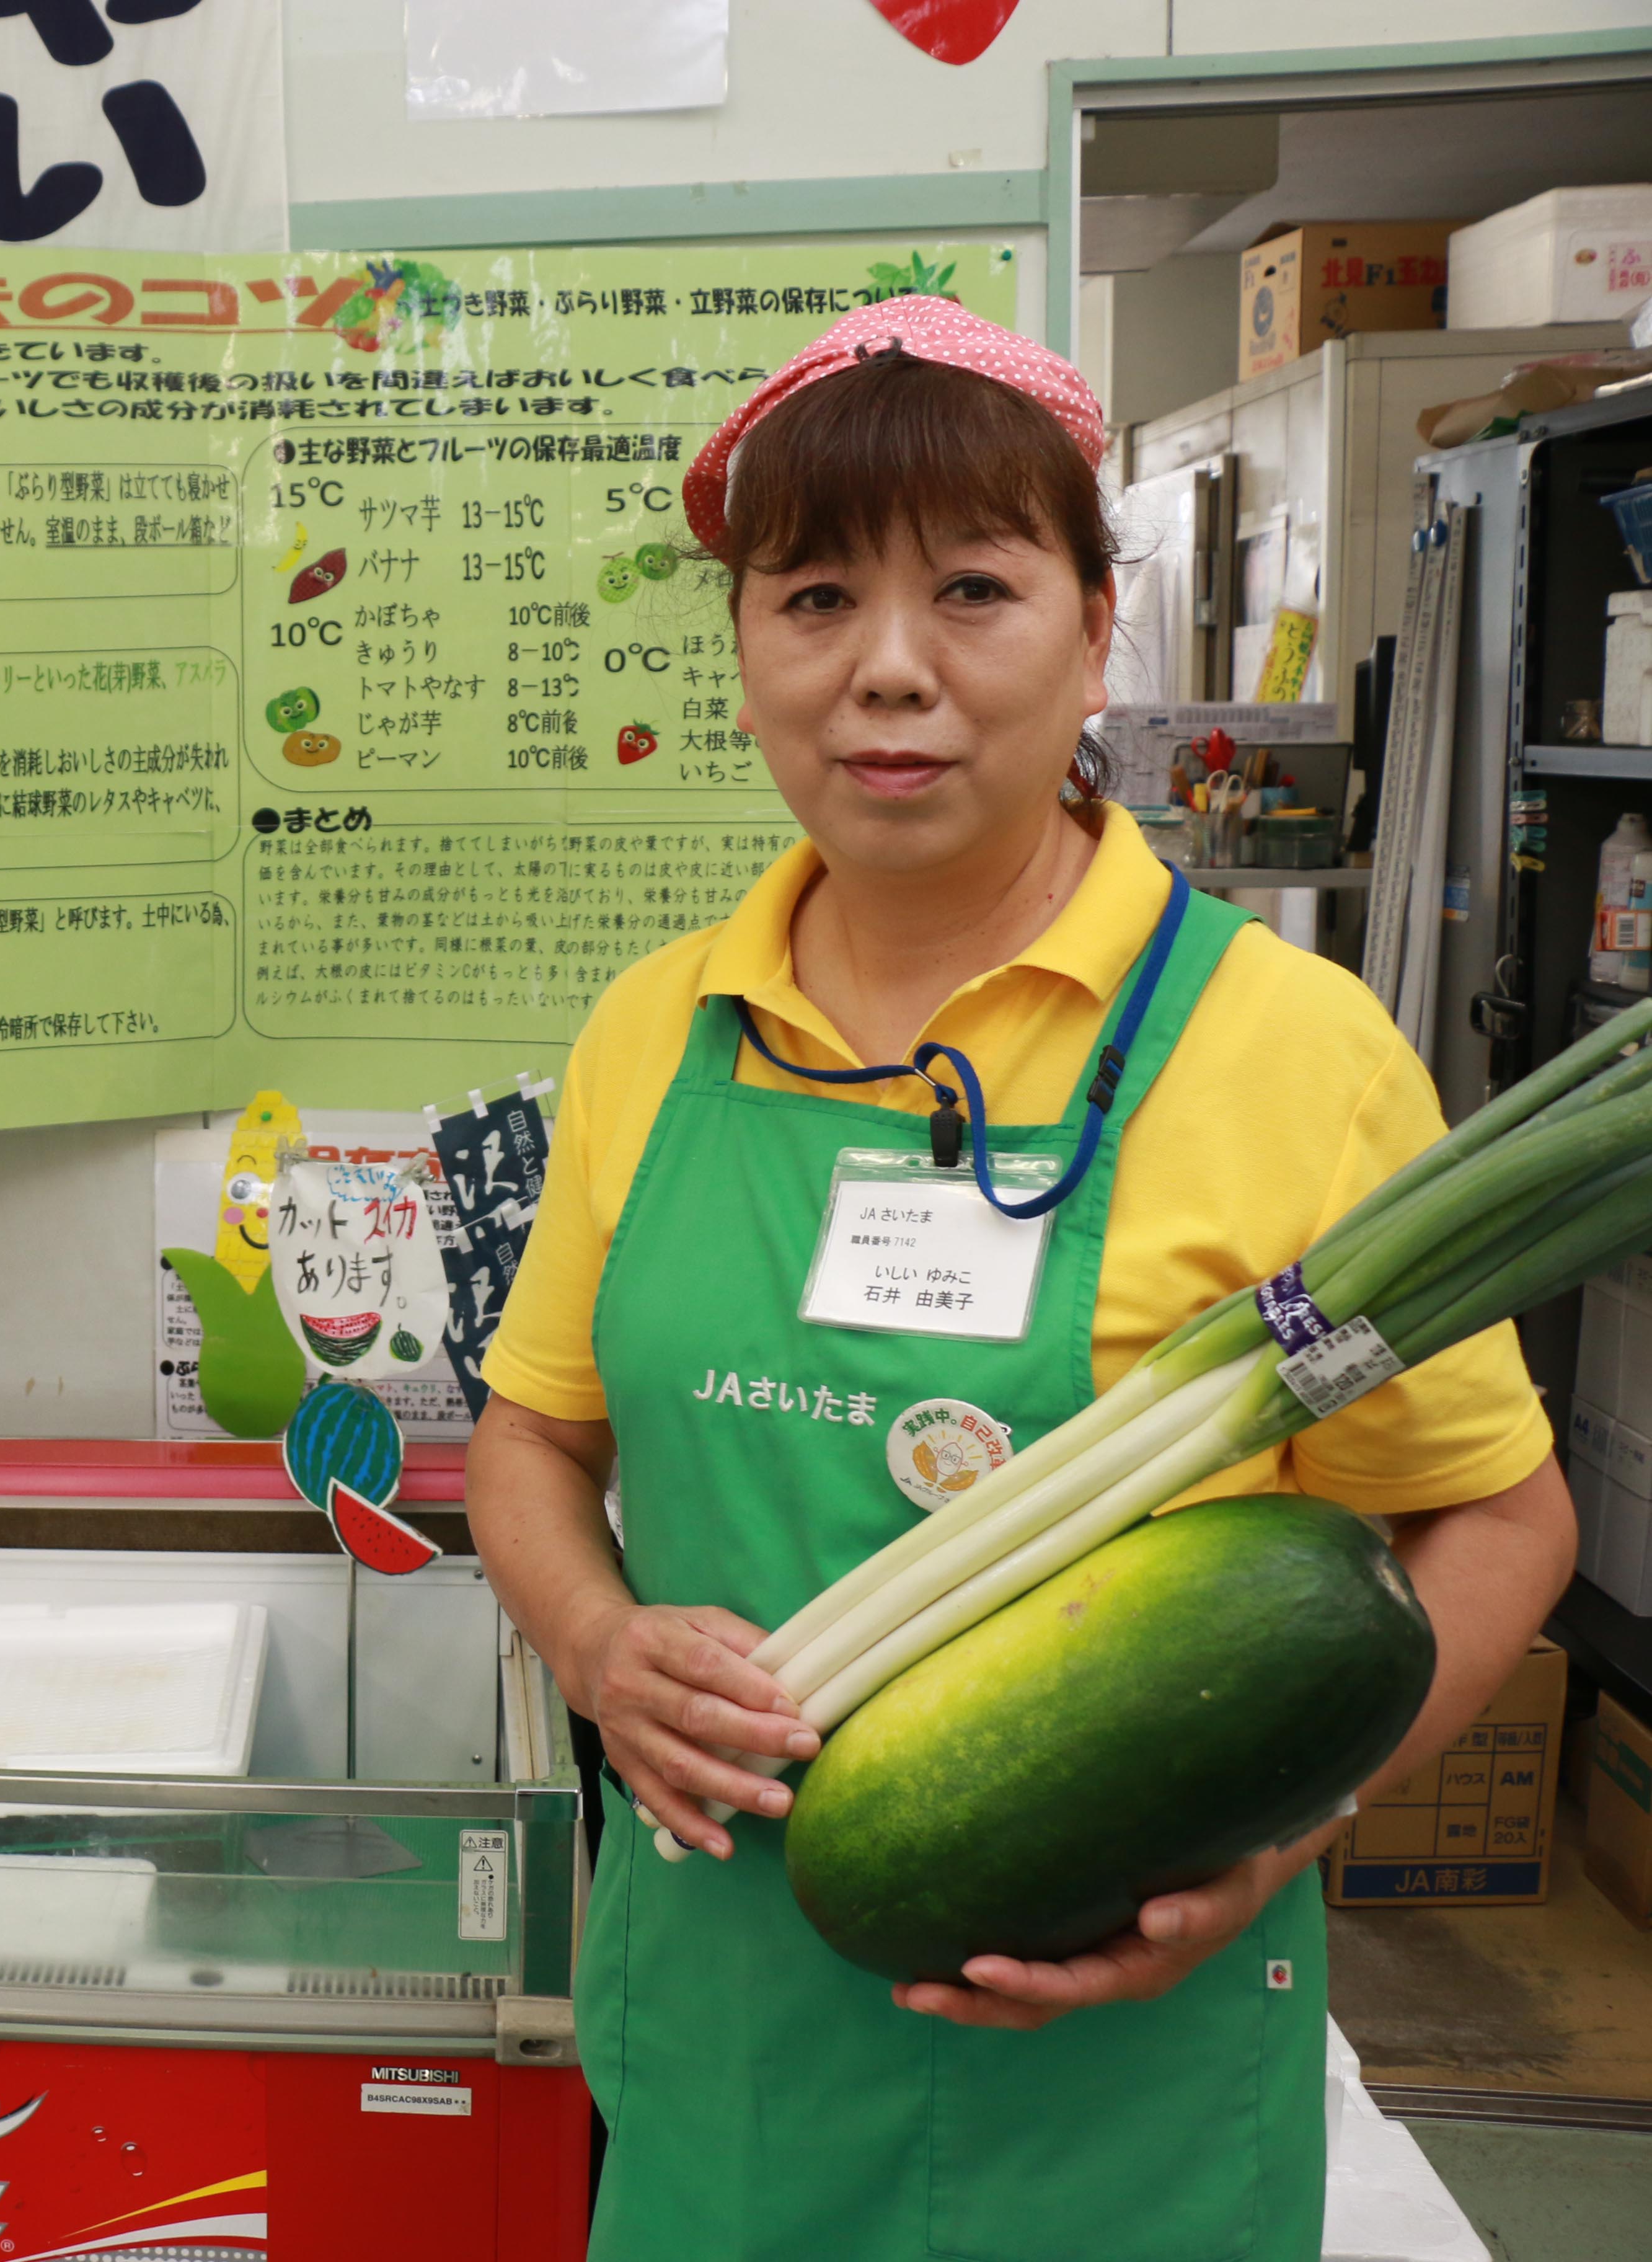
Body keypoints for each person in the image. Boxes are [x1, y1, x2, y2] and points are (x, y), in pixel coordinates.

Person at [463, 296, 1580, 2262]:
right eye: (812, 599)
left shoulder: (1291, 1056)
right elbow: (531, 1443)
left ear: (1094, 625)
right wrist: (592, 1641)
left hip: (1123, 2099)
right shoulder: (657, 1032)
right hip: (728, 2043)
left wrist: (1276, 1842)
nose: (888, 672)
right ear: (745, 651)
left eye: (972, 591)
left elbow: (1498, 1512)